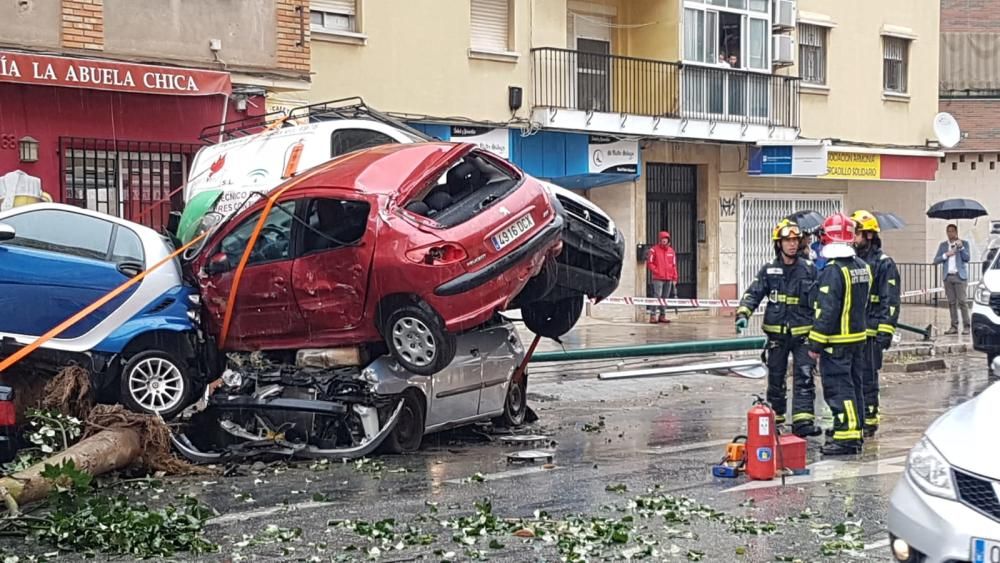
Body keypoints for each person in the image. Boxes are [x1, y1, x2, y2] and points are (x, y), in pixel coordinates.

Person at [735, 219, 820, 437]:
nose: (792, 244)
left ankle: (803, 422)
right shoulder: (769, 270)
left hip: (803, 333)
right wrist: (744, 313)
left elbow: (823, 298)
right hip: (777, 334)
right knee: (776, 377)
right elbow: (753, 293)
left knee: (804, 376)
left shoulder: (809, 269)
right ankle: (776, 418)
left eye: (795, 240)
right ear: (778, 244)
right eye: (787, 240)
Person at [808, 213, 871, 456]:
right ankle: (855, 430)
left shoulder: (833, 271)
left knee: (839, 390)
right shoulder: (861, 267)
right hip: (857, 338)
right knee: (855, 387)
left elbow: (826, 311)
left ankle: (845, 437)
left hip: (836, 342)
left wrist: (815, 343)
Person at [851, 210, 901, 438]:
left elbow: (890, 300)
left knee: (868, 377)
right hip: (852, 332)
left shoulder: (884, 264)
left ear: (869, 235)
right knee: (851, 377)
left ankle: (869, 421)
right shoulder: (851, 261)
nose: (853, 237)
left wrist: (885, 331)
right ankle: (856, 418)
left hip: (871, 332)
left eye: (857, 233)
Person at [933, 224, 971, 335]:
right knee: (951, 302)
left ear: (956, 232)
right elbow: (936, 260)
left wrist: (961, 248)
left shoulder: (964, 243)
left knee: (962, 301)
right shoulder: (943, 245)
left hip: (960, 276)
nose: (950, 233)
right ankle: (954, 326)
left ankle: (966, 326)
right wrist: (946, 255)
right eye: (948, 231)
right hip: (948, 277)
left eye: (952, 231)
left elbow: (967, 258)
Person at [646, 231, 678, 324]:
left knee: (665, 297)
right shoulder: (653, 250)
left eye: (665, 239)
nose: (664, 241)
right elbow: (650, 263)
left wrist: (675, 277)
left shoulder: (671, 251)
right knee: (657, 296)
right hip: (658, 278)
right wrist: (657, 271)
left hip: (669, 278)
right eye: (662, 239)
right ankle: (652, 315)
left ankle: (662, 315)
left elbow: (674, 265)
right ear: (660, 240)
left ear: (668, 240)